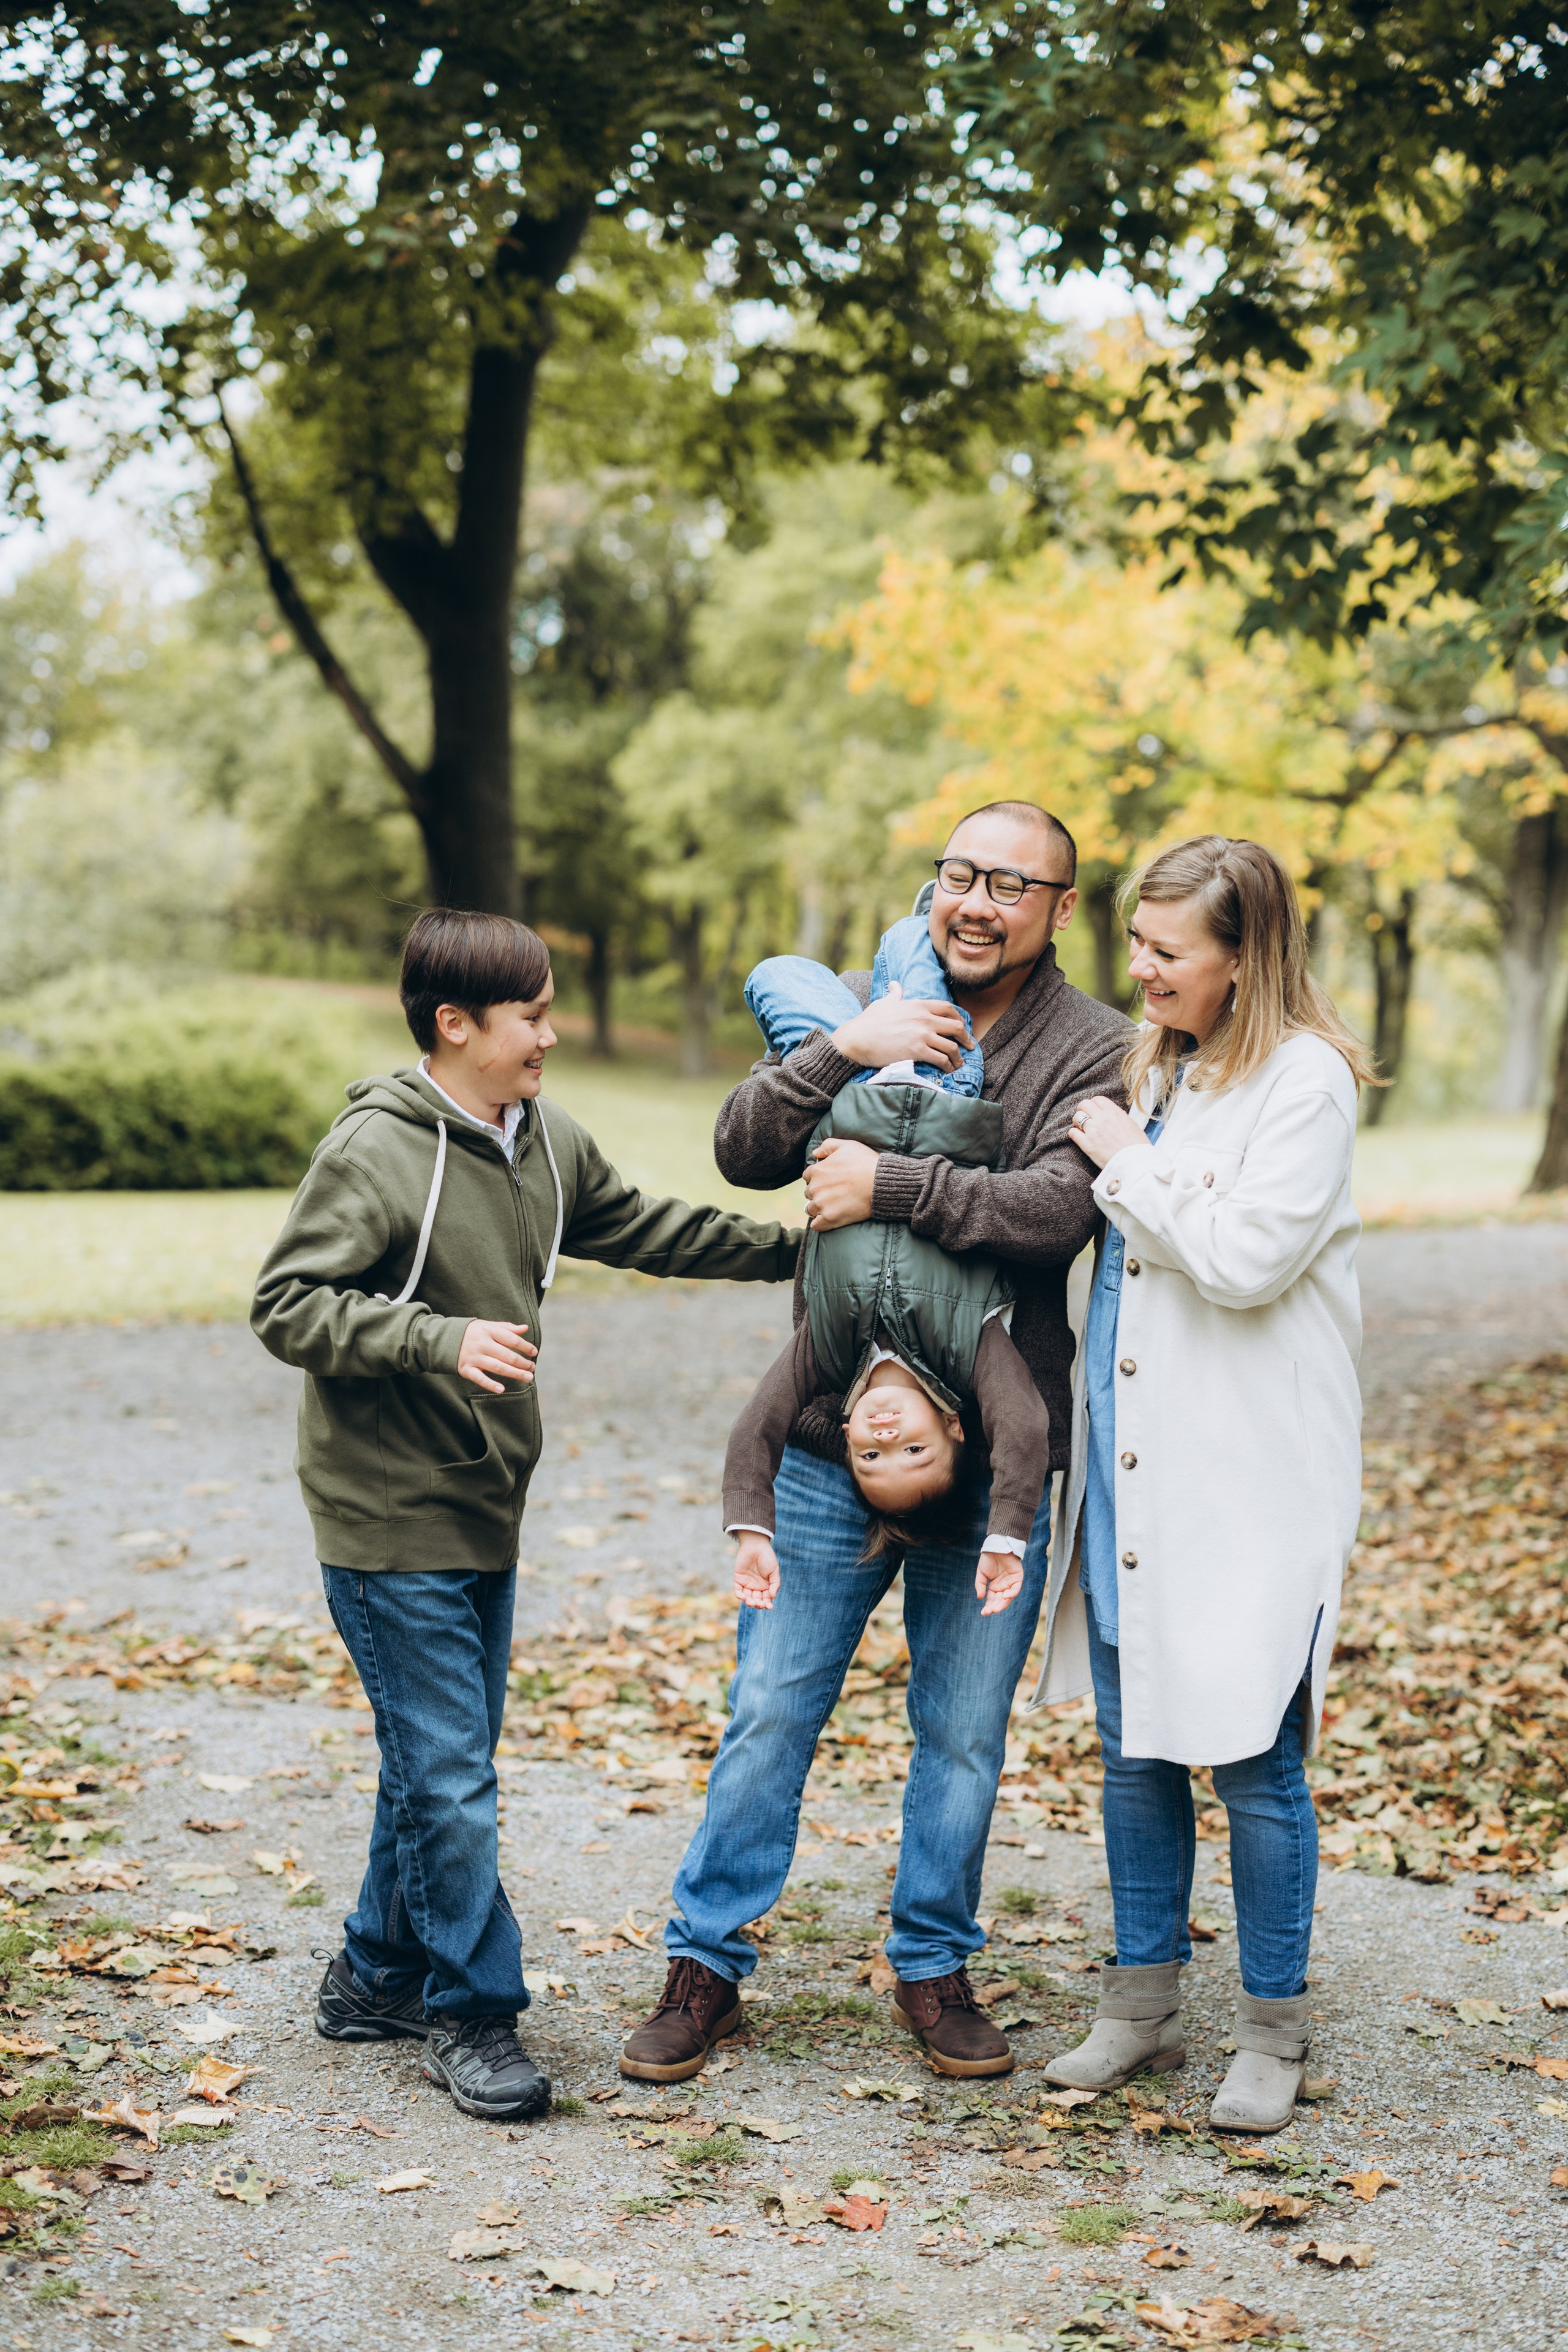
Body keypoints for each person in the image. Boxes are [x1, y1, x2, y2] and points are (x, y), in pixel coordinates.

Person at [251, 909, 800, 2125]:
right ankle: (470, 2010)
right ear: (456, 1025)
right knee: (448, 1775)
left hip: (483, 1503)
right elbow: (288, 1305)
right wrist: (434, 1338)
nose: (552, 1034)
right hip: (387, 1516)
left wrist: (793, 1257)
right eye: (534, 1015)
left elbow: (647, 1228)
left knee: (435, 1764)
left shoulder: (542, 1142)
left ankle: (371, 1973)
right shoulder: (377, 1151)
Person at [620, 801, 1133, 2086]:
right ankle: (704, 1968)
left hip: (994, 1453)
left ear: (1060, 909)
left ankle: (931, 1966)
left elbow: (1057, 1213)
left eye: (1012, 884)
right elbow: (743, 1150)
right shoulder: (864, 1004)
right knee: (767, 1712)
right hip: (821, 1436)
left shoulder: (1095, 1047)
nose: (977, 901)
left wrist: (893, 1186)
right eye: (960, 874)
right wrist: (840, 1051)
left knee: (960, 1736)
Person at [1037, 836, 1371, 2135]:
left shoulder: (1305, 1083)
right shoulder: (1161, 1068)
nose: (1141, 972)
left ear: (1244, 957)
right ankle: (1137, 2006)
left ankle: (1271, 2031)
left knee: (1250, 1758)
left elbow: (1239, 1260)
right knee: (1132, 1752)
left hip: (1248, 1474)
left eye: (1167, 953)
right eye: (1138, 946)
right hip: (1135, 1466)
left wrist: (1124, 1154)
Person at [725, 919, 1051, 1607]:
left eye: (869, 1458)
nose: (886, 1439)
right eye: (915, 1452)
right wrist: (1004, 1539)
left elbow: (759, 1424)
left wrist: (751, 1528)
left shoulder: (826, 1352)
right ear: (955, 1429)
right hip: (943, 1084)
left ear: (845, 1437)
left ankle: (866, 1021)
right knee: (916, 929)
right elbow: (1022, 1429)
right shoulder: (974, 1350)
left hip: (851, 1092)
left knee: (772, 972)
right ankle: (919, 938)